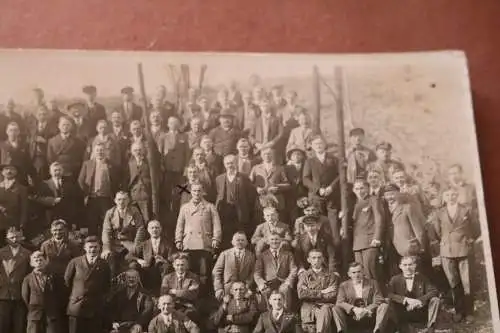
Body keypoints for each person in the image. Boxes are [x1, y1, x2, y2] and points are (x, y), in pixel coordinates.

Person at [430, 187, 478, 323]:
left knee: (467, 282)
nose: (451, 197)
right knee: (453, 282)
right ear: (444, 197)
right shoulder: (439, 213)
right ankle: (459, 311)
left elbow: (476, 228)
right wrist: (446, 241)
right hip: (447, 251)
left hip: (464, 249)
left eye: (453, 194)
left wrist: (468, 239)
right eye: (447, 195)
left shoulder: (466, 210)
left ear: (457, 196)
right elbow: (437, 231)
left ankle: (469, 312)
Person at [176, 182, 222, 285]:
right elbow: (180, 225)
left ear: (203, 192)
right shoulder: (185, 207)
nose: (197, 193)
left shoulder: (210, 207)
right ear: (191, 192)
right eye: (194, 191)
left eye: (199, 191)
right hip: (188, 243)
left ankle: (203, 296)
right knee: (189, 271)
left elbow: (217, 225)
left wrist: (216, 239)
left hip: (204, 243)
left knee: (204, 272)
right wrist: (178, 239)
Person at [64, 236, 111, 333]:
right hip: (77, 308)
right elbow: (66, 283)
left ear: (99, 248)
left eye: (95, 247)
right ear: (85, 248)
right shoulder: (75, 262)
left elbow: (107, 285)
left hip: (95, 309)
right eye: (90, 247)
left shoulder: (104, 265)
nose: (93, 249)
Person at [331, 262, 391, 333]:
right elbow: (340, 302)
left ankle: (377, 330)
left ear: (363, 272)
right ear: (349, 274)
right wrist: (354, 309)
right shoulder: (344, 285)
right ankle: (342, 331)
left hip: (369, 314)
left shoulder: (372, 283)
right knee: (336, 308)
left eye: (359, 272)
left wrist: (366, 310)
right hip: (352, 315)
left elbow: (379, 300)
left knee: (384, 306)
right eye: (353, 272)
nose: (357, 275)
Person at [387, 256, 440, 333]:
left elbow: (434, 291)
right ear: (400, 266)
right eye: (405, 265)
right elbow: (388, 294)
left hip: (420, 312)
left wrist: (419, 301)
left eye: (410, 264)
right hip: (402, 313)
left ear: (415, 265)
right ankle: (395, 327)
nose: (408, 268)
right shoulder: (395, 279)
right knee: (387, 301)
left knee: (435, 300)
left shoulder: (422, 278)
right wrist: (405, 299)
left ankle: (430, 327)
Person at [383, 184, 427, 275]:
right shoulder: (385, 211)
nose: (389, 197)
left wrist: (421, 247)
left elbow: (418, 230)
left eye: (392, 194)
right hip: (393, 249)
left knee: (416, 274)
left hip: (409, 248)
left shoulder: (407, 208)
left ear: (399, 194)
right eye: (387, 195)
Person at [79, 143, 122, 235]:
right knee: (92, 221)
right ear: (94, 152)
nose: (100, 152)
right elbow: (81, 180)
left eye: (102, 150)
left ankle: (106, 244)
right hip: (92, 198)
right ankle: (92, 243)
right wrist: (85, 193)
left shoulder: (112, 165)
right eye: (97, 150)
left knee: (106, 221)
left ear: (105, 151)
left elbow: (117, 181)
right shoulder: (87, 164)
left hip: (106, 198)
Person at [216, 154, 256, 248]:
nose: (230, 165)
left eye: (232, 163)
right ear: (224, 165)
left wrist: (247, 210)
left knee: (240, 234)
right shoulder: (219, 178)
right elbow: (218, 195)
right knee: (226, 235)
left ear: (236, 163)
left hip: (240, 212)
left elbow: (250, 196)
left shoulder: (244, 177)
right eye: (228, 163)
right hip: (225, 212)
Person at [102, 191, 146, 276]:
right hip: (114, 244)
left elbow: (140, 229)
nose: (121, 202)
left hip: (130, 244)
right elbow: (106, 231)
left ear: (128, 200)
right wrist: (106, 248)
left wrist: (136, 246)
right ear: (115, 200)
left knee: (133, 265)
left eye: (124, 199)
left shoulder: (134, 211)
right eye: (119, 199)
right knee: (110, 262)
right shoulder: (110, 213)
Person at [297, 249, 340, 333]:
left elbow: (333, 295)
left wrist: (310, 292)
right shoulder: (304, 275)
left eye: (319, 258)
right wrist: (323, 291)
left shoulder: (331, 275)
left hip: (326, 306)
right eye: (314, 258)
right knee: (324, 310)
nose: (317, 260)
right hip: (310, 308)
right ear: (308, 260)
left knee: (325, 309)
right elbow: (301, 294)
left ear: (323, 259)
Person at [126, 220, 173, 295]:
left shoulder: (167, 243)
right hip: (147, 270)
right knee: (133, 265)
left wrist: (164, 260)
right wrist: (139, 260)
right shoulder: (144, 244)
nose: (154, 230)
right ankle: (140, 292)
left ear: (161, 229)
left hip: (161, 270)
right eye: (152, 228)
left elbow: (172, 258)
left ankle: (163, 292)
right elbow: (128, 256)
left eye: (157, 228)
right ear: (148, 230)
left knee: (166, 267)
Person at [22, 251, 65, 333]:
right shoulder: (27, 279)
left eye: (41, 260)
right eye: (36, 260)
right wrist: (34, 305)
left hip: (51, 313)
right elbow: (25, 296)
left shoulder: (53, 277)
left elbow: (59, 294)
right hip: (34, 314)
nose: (38, 262)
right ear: (31, 263)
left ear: (45, 262)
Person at [351, 178, 385, 283]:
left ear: (368, 188)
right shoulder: (355, 204)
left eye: (362, 188)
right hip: (357, 244)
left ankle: (378, 297)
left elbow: (379, 219)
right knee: (360, 274)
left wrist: (377, 238)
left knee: (371, 272)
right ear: (353, 190)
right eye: (357, 189)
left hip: (370, 242)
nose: (360, 191)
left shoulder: (373, 199)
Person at [254, 232, 297, 311]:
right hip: (268, 283)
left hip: (283, 281)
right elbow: (257, 272)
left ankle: (285, 314)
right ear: (268, 241)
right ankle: (268, 315)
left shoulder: (288, 254)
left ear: (280, 240)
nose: (274, 241)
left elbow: (293, 269)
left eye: (277, 239)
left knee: (285, 289)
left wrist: (288, 281)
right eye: (272, 239)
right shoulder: (262, 255)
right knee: (265, 291)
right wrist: (261, 283)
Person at [34, 162, 84, 230]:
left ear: (62, 171)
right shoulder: (44, 184)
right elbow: (38, 198)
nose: (57, 172)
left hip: (67, 220)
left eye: (59, 170)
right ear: (50, 172)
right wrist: (52, 200)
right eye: (55, 170)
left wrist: (74, 221)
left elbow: (74, 203)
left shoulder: (70, 185)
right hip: (50, 219)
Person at [0, 227, 31, 333]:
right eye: (11, 237)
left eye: (17, 237)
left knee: (19, 325)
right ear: (6, 238)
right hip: (3, 294)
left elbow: (29, 274)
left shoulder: (27, 253)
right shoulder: (1, 253)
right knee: (3, 325)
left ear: (21, 237)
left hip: (20, 294)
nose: (14, 239)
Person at [107, 266, 154, 333]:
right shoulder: (119, 293)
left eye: (134, 277)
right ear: (125, 279)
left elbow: (148, 310)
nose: (131, 279)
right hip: (120, 324)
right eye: (129, 277)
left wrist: (139, 323)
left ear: (138, 279)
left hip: (136, 324)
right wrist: (113, 322)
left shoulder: (145, 294)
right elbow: (112, 308)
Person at [160, 116, 190, 217]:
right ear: (168, 124)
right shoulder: (163, 137)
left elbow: (187, 153)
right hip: (167, 169)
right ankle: (168, 213)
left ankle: (180, 212)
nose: (174, 125)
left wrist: (186, 167)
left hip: (180, 170)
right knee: (167, 191)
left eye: (176, 123)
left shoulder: (184, 136)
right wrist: (162, 165)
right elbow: (160, 153)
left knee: (181, 190)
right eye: (171, 123)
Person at [212, 232, 256, 299]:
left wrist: (248, 286)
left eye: (242, 240)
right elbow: (216, 272)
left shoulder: (251, 256)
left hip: (244, 289)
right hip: (227, 289)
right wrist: (218, 288)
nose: (240, 242)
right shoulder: (225, 254)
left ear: (247, 242)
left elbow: (253, 272)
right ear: (232, 242)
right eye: (237, 240)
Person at [249, 147, 290, 212]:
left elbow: (287, 184)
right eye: (265, 154)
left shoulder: (280, 168)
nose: (267, 156)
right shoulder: (255, 168)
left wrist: (277, 187)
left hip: (276, 200)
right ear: (261, 156)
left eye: (269, 154)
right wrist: (257, 188)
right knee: (261, 220)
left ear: (272, 155)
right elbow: (249, 183)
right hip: (261, 201)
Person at [160, 253, 200, 319]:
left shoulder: (193, 277)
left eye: (182, 265)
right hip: (171, 306)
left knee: (191, 315)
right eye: (177, 265)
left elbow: (192, 295)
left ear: (187, 265)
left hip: (187, 307)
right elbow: (163, 294)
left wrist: (174, 291)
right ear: (173, 265)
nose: (180, 268)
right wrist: (185, 292)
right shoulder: (167, 278)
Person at [27, 105, 59, 180]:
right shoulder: (31, 126)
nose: (42, 116)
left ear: (48, 115)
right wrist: (33, 139)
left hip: (46, 156)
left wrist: (45, 141)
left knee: (45, 178)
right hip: (33, 156)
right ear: (36, 115)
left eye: (44, 114)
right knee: (34, 178)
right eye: (39, 114)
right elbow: (27, 140)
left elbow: (56, 142)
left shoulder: (54, 128)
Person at [125, 142, 152, 221]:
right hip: (133, 195)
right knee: (133, 219)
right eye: (135, 150)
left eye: (140, 150)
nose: (138, 152)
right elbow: (126, 180)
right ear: (132, 152)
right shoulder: (129, 164)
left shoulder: (148, 163)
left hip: (145, 195)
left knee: (145, 219)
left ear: (143, 150)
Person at [0, 163, 29, 238]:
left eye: (12, 169)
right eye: (6, 169)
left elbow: (24, 207)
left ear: (16, 172)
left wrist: (22, 223)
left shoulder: (22, 188)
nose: (9, 171)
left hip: (14, 223)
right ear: (2, 172)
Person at [284, 146, 308, 226]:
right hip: (291, 197)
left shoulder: (307, 166)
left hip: (304, 196)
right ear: (290, 157)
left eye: (299, 154)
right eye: (294, 155)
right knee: (292, 218)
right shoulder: (286, 168)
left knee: (304, 217)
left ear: (302, 156)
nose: (296, 156)